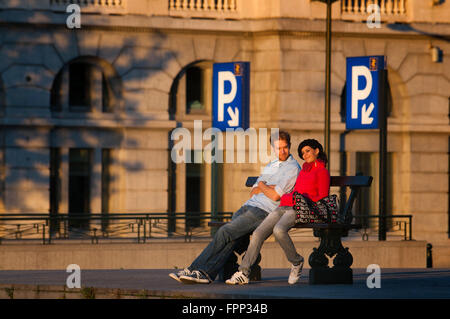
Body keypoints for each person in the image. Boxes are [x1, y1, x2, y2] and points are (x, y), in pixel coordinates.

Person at [168, 131, 301, 284]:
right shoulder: (272, 165)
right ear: (273, 148)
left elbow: (275, 196)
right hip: (248, 206)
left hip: (263, 211)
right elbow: (254, 190)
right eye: (278, 148)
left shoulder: (292, 168)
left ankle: (197, 270)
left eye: (285, 147)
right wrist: (267, 187)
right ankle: (201, 272)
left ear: (289, 146)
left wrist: (263, 186)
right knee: (230, 237)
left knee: (225, 231)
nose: (282, 151)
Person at [226, 138, 330, 285]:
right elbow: (295, 190)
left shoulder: (322, 172)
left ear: (316, 150)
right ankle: (244, 272)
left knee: (279, 230)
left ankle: (297, 262)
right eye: (302, 153)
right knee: (258, 233)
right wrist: (290, 196)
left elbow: (322, 198)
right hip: (286, 205)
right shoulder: (303, 170)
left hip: (303, 209)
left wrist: (301, 198)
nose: (305, 155)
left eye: (307, 151)